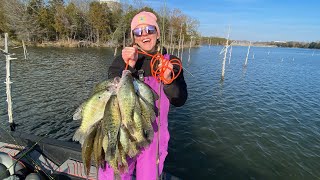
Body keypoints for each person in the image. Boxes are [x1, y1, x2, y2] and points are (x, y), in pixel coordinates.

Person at [99, 11, 188, 180]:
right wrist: (129, 68)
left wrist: (168, 80)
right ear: (133, 37)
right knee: (113, 175)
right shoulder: (121, 61)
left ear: (158, 33)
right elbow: (109, 94)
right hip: (122, 132)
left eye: (149, 29)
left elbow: (180, 99)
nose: (144, 35)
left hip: (153, 137)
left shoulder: (171, 62)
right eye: (138, 32)